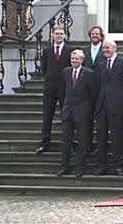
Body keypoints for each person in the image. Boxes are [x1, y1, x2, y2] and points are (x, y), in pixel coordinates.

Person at [95, 40, 123, 176]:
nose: (105, 50)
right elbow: (97, 86)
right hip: (102, 106)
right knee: (101, 137)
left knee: (116, 136)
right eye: (103, 48)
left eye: (107, 47)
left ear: (114, 48)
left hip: (117, 105)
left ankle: (118, 165)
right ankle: (101, 165)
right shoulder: (101, 65)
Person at [57, 50, 98, 178]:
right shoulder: (65, 72)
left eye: (77, 59)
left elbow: (93, 93)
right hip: (68, 110)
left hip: (82, 111)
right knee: (66, 140)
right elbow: (62, 91)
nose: (74, 61)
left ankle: (80, 167)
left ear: (82, 60)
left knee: (82, 140)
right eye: (72, 58)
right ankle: (64, 166)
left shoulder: (89, 74)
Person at [36, 25, 74, 154]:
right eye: (56, 33)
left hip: (65, 87)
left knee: (67, 116)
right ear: (52, 35)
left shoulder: (70, 50)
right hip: (50, 87)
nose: (59, 35)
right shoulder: (46, 51)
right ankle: (45, 143)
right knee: (47, 116)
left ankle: (69, 142)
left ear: (65, 35)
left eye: (61, 33)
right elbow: (44, 69)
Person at [81, 25, 106, 153]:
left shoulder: (106, 49)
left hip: (102, 89)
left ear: (101, 36)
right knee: (87, 119)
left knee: (101, 119)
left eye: (97, 34)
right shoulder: (84, 50)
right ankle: (88, 143)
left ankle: (100, 144)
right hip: (87, 90)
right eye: (93, 34)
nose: (95, 36)